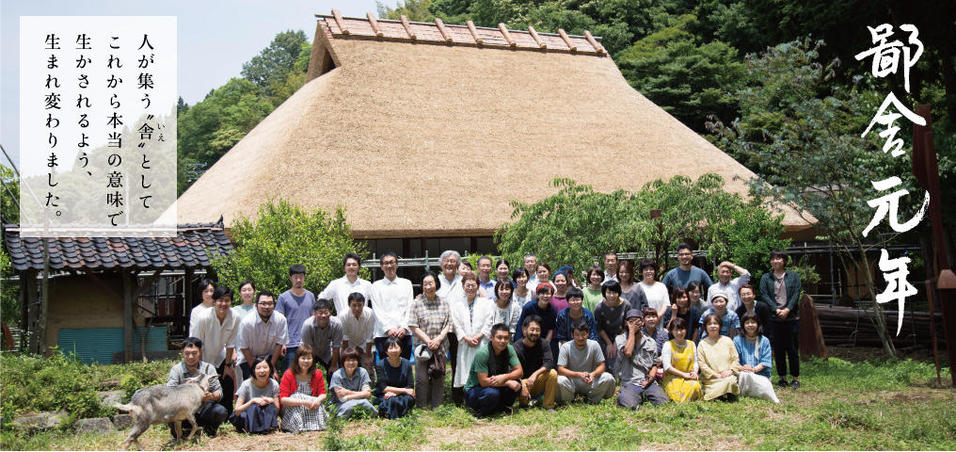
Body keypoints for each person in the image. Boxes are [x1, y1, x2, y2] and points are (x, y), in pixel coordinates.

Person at [189, 286, 239, 412]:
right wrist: (199, 366)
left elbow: (231, 344)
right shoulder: (203, 317)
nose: (223, 304)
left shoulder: (235, 317)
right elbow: (195, 343)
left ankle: (226, 414)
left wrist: (228, 365)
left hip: (220, 356)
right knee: (203, 386)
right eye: (220, 300)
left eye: (227, 300)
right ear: (214, 301)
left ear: (231, 302)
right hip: (202, 356)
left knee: (227, 381)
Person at [167, 337, 228, 438]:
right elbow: (169, 392)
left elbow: (219, 392)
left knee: (220, 411)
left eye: (194, 353)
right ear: (182, 352)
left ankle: (208, 430)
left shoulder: (209, 368)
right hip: (183, 410)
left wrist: (211, 396)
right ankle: (180, 432)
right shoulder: (176, 370)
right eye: (187, 353)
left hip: (204, 408)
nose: (190, 357)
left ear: (200, 352)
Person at [407, 271, 451, 410]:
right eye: (425, 284)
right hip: (422, 347)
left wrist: (438, 340)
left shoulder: (444, 302)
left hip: (440, 345)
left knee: (438, 374)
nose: (428, 286)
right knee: (422, 378)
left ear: (436, 284)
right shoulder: (416, 303)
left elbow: (448, 324)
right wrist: (428, 341)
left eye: (430, 283)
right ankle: (421, 405)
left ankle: (436, 406)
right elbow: (413, 325)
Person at [759, 250, 802, 389]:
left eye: (778, 258)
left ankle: (795, 377)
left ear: (784, 260)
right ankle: (782, 377)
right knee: (778, 349)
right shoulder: (766, 277)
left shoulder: (793, 276)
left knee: (793, 349)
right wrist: (776, 309)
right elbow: (764, 294)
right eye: (772, 259)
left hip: (791, 318)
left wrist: (788, 309)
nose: (775, 261)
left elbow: (796, 293)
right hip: (774, 318)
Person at [450, 273, 495, 404]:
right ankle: (465, 398)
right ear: (463, 286)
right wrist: (466, 338)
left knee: (481, 368)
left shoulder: (486, 303)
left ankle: (482, 396)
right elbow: (456, 324)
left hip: (481, 342)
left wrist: (479, 336)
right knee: (464, 368)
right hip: (465, 343)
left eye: (473, 285)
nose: (470, 288)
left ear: (478, 286)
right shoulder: (457, 304)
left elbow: (489, 321)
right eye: (467, 285)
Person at [464, 323, 524, 417]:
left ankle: (500, 407)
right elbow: (483, 382)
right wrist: (507, 382)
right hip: (475, 389)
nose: (503, 341)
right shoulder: (483, 353)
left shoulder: (509, 349)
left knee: (517, 384)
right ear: (491, 337)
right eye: (499, 337)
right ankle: (481, 411)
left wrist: (505, 376)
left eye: (506, 338)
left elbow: (519, 371)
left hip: (495, 384)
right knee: (492, 393)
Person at [616, 309, 668, 410]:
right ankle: (631, 396)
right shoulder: (620, 339)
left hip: (647, 382)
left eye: (637, 321)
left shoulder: (650, 342)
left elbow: (654, 363)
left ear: (643, 323)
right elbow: (628, 352)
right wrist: (631, 331)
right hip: (630, 382)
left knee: (663, 402)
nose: (634, 324)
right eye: (631, 321)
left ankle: (645, 395)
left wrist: (651, 377)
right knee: (629, 405)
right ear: (626, 323)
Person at [556, 320, 616, 404]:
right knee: (560, 380)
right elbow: (560, 369)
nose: (580, 338)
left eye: (583, 334)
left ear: (588, 334)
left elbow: (602, 365)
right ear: (572, 335)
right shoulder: (566, 347)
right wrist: (578, 375)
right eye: (577, 335)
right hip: (572, 381)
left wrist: (593, 374)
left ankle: (592, 400)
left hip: (590, 380)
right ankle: (568, 401)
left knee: (608, 378)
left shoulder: (594, 345)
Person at [371, 251, 415, 361]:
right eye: (386, 263)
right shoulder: (376, 286)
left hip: (404, 333)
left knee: (404, 366)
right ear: (381, 267)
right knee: (385, 368)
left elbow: (410, 307)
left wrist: (404, 327)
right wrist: (388, 329)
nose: (389, 266)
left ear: (397, 264)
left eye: (392, 262)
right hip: (383, 334)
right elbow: (377, 310)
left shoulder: (406, 283)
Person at [237, 290, 288, 381]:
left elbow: (279, 344)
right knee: (251, 383)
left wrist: (271, 368)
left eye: (270, 303)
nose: (267, 307)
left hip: (269, 358)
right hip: (249, 358)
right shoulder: (247, 322)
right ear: (256, 306)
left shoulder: (280, 320)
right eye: (263, 304)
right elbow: (244, 347)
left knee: (273, 380)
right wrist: (255, 369)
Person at [276, 264, 316, 374]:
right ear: (290, 278)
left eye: (301, 277)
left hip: (307, 343)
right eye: (295, 277)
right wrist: (282, 343)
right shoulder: (283, 297)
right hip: (290, 344)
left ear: (304, 277)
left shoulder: (311, 296)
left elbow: (314, 319)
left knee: (307, 374)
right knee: (289, 374)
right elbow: (278, 322)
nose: (298, 280)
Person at [279, 344, 328, 432]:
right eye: (303, 358)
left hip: (311, 406)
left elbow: (322, 394)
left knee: (317, 402)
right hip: (292, 407)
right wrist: (304, 402)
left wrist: (318, 400)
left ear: (313, 360)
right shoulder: (288, 374)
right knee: (297, 396)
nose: (306, 361)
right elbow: (283, 399)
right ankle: (298, 426)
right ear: (297, 359)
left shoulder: (317, 373)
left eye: (309, 358)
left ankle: (314, 427)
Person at [513, 315, 558, 411]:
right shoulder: (516, 347)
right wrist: (523, 385)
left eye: (538, 330)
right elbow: (511, 372)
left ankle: (548, 406)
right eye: (532, 329)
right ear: (524, 329)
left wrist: (535, 374)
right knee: (523, 401)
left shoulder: (544, 343)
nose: (535, 333)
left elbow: (549, 362)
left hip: (536, 381)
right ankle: (524, 402)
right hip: (521, 383)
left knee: (552, 373)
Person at [733, 313, 779, 403]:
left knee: (764, 385)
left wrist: (753, 370)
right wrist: (743, 368)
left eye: (753, 322)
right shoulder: (737, 340)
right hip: (743, 373)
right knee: (745, 376)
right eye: (747, 322)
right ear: (743, 325)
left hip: (760, 374)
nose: (750, 325)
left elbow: (765, 362)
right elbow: (733, 360)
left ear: (758, 324)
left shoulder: (764, 340)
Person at [230, 356, 280, 434]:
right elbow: (237, 411)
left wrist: (271, 401)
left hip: (264, 414)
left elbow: (277, 411)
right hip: (248, 415)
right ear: (253, 371)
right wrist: (252, 401)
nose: (262, 371)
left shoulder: (274, 384)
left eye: (265, 367)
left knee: (270, 407)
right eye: (258, 368)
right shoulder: (246, 384)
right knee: (253, 408)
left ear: (270, 370)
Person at [697, 314, 740, 401]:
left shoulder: (727, 340)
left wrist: (730, 371)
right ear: (705, 327)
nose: (712, 326)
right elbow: (702, 364)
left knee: (730, 381)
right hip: (712, 379)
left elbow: (735, 359)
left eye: (715, 323)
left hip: (728, 376)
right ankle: (721, 393)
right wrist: (716, 375)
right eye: (709, 324)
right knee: (718, 385)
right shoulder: (702, 344)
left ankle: (724, 393)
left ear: (720, 326)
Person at [594, 280, 631, 378]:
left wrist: (615, 342)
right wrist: (609, 343)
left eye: (614, 292)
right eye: (609, 292)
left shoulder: (626, 305)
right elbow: (599, 327)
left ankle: (620, 377)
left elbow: (626, 325)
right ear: (604, 293)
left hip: (621, 334)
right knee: (605, 353)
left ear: (618, 292)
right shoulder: (599, 307)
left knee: (619, 351)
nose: (611, 295)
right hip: (604, 336)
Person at [300, 298, 342, 383]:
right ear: (314, 313)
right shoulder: (308, 325)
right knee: (307, 372)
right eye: (320, 313)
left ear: (330, 313)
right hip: (309, 350)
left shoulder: (337, 324)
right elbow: (307, 348)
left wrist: (334, 365)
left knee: (335, 371)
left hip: (327, 350)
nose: (323, 316)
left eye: (326, 312)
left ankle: (334, 393)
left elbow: (336, 346)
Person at [660, 318, 702, 402]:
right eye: (676, 330)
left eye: (681, 329)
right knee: (676, 394)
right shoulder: (668, 345)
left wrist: (694, 372)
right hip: (672, 378)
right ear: (672, 331)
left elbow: (695, 362)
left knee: (695, 386)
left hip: (688, 377)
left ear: (686, 330)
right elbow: (667, 367)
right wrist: (683, 375)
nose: (679, 333)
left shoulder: (692, 344)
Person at [319, 253, 373, 317]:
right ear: (344, 267)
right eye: (348, 265)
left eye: (354, 265)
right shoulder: (336, 284)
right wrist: (330, 317)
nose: (351, 267)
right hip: (341, 324)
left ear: (359, 267)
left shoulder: (366, 285)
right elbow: (321, 298)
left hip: (362, 324)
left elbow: (377, 301)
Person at [373, 337, 415, 419]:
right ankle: (396, 415)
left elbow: (410, 387)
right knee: (389, 400)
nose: (393, 350)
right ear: (386, 351)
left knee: (408, 399)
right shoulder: (380, 365)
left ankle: (392, 414)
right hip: (385, 394)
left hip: (402, 395)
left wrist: (395, 393)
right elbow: (383, 388)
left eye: (396, 347)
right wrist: (404, 390)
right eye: (390, 348)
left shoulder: (407, 364)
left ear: (401, 349)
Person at [329, 347, 377, 418]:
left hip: (360, 401)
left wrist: (347, 392)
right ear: (343, 362)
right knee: (348, 407)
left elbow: (367, 393)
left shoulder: (362, 372)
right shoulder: (337, 375)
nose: (351, 363)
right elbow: (342, 398)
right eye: (348, 360)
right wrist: (361, 394)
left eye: (354, 360)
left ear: (358, 361)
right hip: (340, 404)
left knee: (367, 405)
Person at [514, 283, 558, 359]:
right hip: (527, 337)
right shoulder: (529, 307)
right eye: (542, 293)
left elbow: (551, 329)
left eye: (548, 293)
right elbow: (522, 326)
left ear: (551, 295)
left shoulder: (553, 310)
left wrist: (545, 345)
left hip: (542, 339)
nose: (545, 296)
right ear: (537, 295)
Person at [340, 292, 376, 382]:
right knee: (347, 366)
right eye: (354, 305)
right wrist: (346, 355)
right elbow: (345, 338)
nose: (357, 308)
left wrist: (368, 356)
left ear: (363, 304)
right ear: (349, 305)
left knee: (368, 368)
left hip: (365, 345)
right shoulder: (343, 315)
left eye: (360, 305)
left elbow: (369, 336)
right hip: (349, 344)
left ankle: (370, 390)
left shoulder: (370, 313)